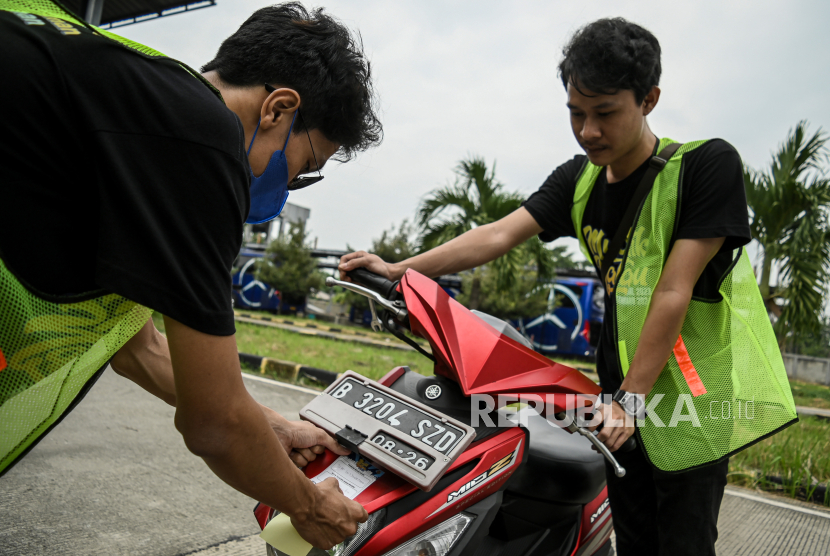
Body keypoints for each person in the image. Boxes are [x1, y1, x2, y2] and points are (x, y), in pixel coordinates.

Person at [339, 18, 796, 556]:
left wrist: (631, 399)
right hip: (620, 403)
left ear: (648, 99)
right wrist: (400, 269)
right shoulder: (578, 181)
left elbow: (673, 290)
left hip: (686, 404)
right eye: (577, 114)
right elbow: (498, 233)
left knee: (683, 546)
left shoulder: (705, 167)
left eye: (605, 113)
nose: (588, 131)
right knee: (637, 542)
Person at [0, 1, 381, 549]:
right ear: (277, 109)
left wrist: (268, 421)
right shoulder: (204, 144)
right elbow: (215, 425)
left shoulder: (141, 102)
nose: (288, 185)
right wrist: (308, 504)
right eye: (305, 166)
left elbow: (137, 347)